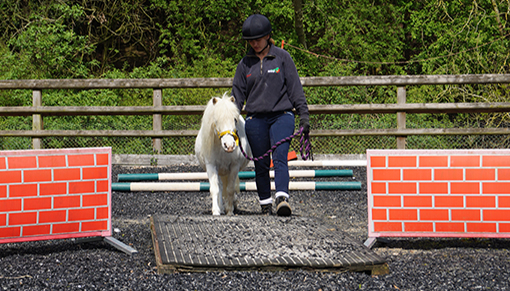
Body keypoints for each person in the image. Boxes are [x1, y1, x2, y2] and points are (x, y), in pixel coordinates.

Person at [232, 14, 310, 216]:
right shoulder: (244, 64)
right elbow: (237, 96)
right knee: (260, 162)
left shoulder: (282, 58)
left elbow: (295, 90)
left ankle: (282, 198)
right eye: (251, 41)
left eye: (258, 39)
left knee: (280, 157)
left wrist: (304, 116)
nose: (254, 44)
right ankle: (265, 203)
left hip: (281, 116)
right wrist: (230, 119)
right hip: (255, 119)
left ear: (268, 36)